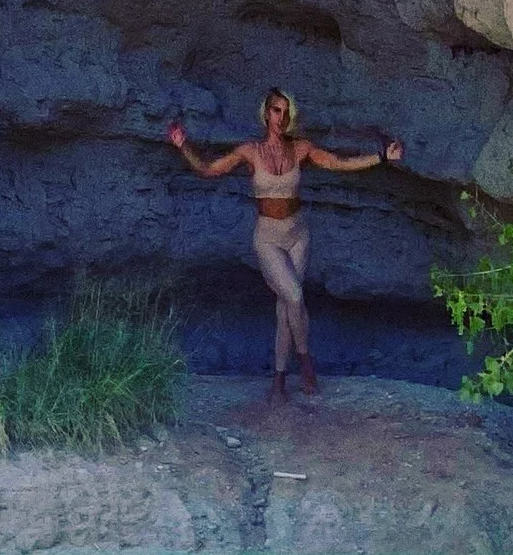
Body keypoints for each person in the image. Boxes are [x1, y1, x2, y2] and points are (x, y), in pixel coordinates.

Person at [166, 90, 403, 398]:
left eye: (287, 112)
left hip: (298, 234)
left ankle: (278, 380)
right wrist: (184, 146)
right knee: (294, 295)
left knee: (285, 307)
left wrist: (382, 156)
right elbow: (208, 170)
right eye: (277, 111)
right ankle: (306, 364)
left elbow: (338, 163)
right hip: (268, 237)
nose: (282, 117)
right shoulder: (250, 152)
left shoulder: (301, 148)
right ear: (266, 114)